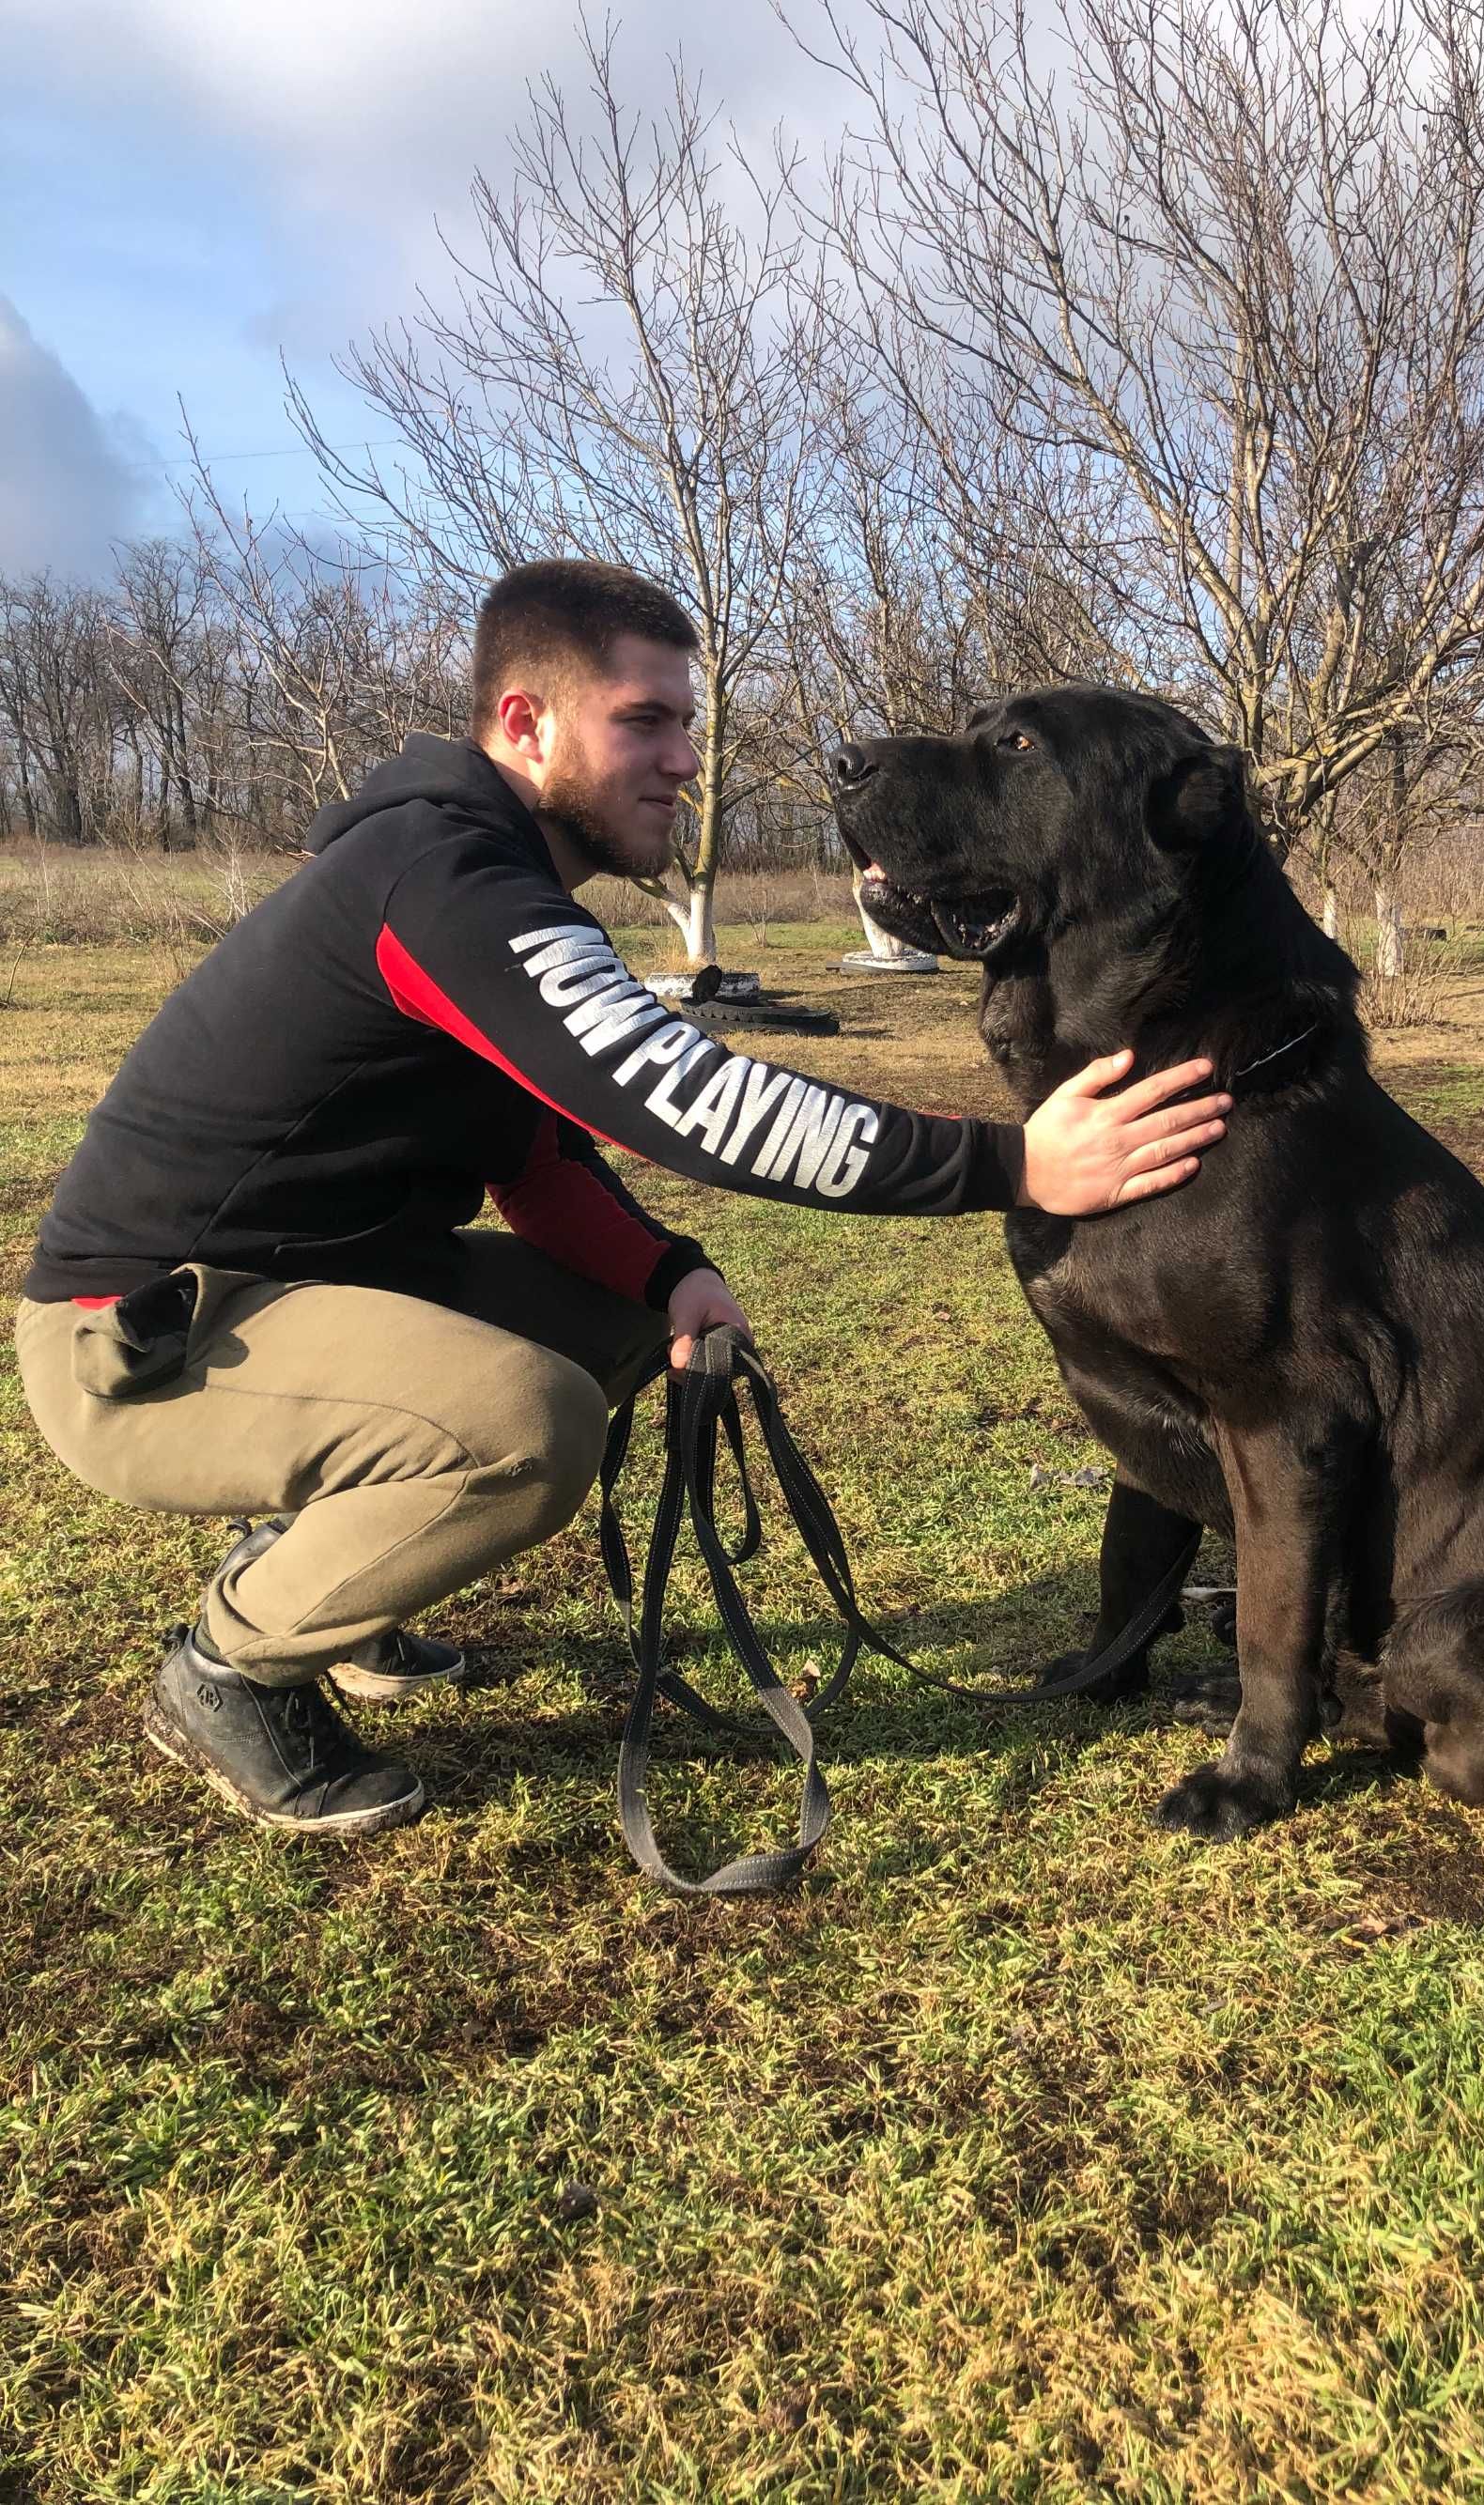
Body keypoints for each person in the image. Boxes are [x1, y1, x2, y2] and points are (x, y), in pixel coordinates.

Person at [13, 561, 1230, 1840]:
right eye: (645, 723)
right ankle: (229, 1667)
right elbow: (683, 1098)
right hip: (138, 1337)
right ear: (527, 727)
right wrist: (1016, 1166)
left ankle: (342, 1589)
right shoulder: (443, 881)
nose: (685, 760)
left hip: (301, 1286)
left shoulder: (489, 878)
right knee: (523, 1424)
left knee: (611, 1328)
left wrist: (665, 1276)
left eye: (688, 723)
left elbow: (537, 1161)